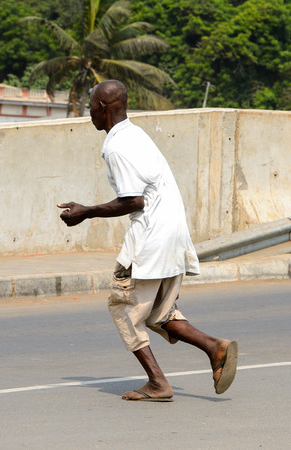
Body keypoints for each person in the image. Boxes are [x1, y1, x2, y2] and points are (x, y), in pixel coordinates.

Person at [57, 80, 238, 402]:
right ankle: (215, 347)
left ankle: (157, 382)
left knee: (123, 307)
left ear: (102, 108)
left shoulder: (116, 147)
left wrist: (86, 212)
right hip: (174, 232)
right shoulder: (135, 134)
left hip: (151, 236)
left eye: (91, 108)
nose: (89, 114)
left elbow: (133, 201)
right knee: (158, 313)